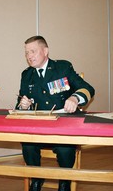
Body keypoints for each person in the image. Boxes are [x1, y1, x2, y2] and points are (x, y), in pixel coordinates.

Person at [16, 35, 95, 191]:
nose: (29, 56)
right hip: (38, 128)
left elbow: (88, 88)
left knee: (65, 147)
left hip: (62, 125)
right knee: (27, 144)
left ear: (45, 51)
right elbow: (19, 105)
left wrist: (75, 98)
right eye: (26, 53)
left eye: (33, 51)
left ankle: (65, 180)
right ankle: (37, 178)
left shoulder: (62, 68)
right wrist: (23, 105)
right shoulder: (26, 75)